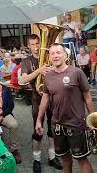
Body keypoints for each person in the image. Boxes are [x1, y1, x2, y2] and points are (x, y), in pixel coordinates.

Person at [36, 43, 94, 173]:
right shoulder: (48, 76)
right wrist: (39, 120)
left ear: (65, 55)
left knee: (82, 159)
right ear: (49, 57)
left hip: (76, 124)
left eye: (58, 52)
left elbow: (88, 97)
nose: (56, 56)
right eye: (52, 53)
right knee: (65, 159)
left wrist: (92, 119)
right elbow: (45, 98)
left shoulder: (76, 72)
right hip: (57, 125)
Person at [20, 34, 62, 172]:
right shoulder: (26, 61)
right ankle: (36, 160)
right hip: (37, 99)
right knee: (37, 131)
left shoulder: (50, 57)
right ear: (29, 46)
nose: (36, 47)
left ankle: (52, 157)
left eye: (37, 43)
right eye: (32, 44)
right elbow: (23, 80)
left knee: (52, 130)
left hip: (52, 99)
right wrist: (39, 70)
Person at [0, 72, 22, 164]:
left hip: (3, 114)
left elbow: (11, 106)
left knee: (14, 125)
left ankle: (14, 150)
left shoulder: (5, 89)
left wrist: (1, 116)